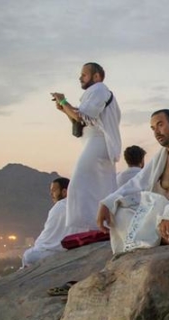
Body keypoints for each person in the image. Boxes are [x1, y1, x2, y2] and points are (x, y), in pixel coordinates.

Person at [98, 110, 169, 252]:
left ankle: (163, 236)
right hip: (161, 215)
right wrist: (109, 202)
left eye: (160, 125)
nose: (156, 133)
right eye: (153, 128)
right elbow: (138, 181)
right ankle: (158, 237)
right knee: (119, 212)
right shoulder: (161, 156)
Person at [51, 63, 121, 236]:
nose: (80, 78)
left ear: (96, 77)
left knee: (79, 181)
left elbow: (83, 116)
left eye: (84, 75)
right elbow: (80, 123)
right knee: (98, 186)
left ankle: (94, 226)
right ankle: (102, 226)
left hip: (99, 142)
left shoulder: (99, 89)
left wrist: (64, 101)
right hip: (94, 143)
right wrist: (65, 110)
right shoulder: (93, 94)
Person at [22, 178, 72, 267]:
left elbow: (46, 239)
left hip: (58, 252)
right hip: (71, 248)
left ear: (64, 192)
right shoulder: (79, 204)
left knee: (27, 255)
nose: (51, 194)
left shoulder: (59, 206)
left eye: (54, 191)